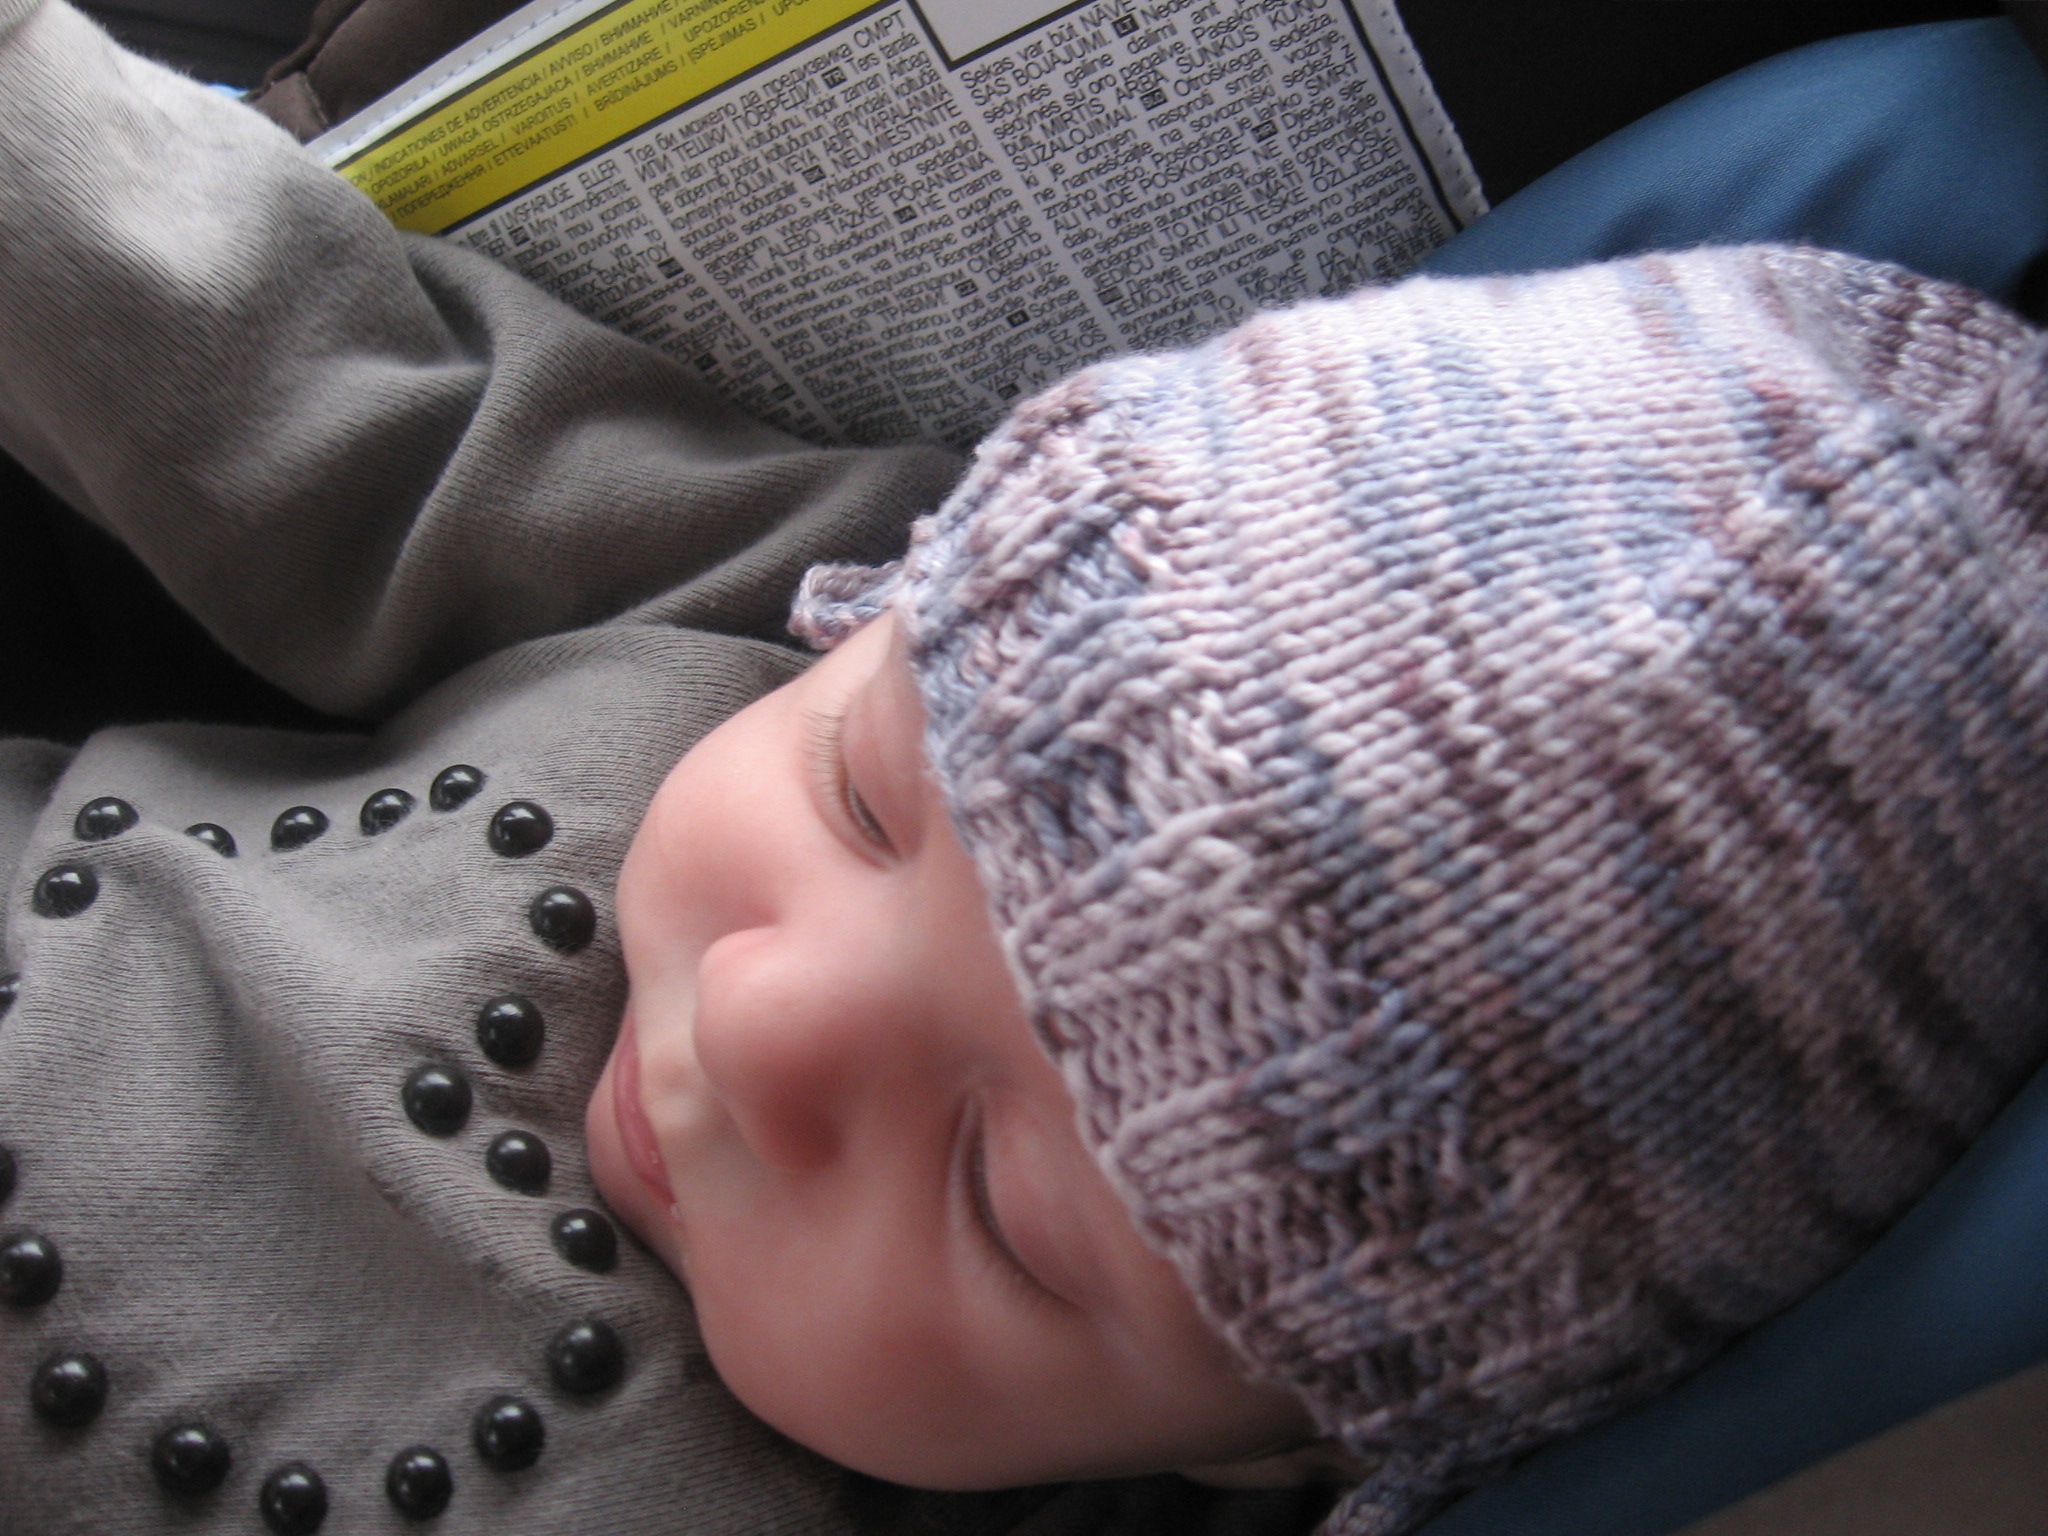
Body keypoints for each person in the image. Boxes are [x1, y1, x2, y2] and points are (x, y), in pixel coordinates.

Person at [2, 5, 2046, 1536]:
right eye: (865, 799)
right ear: (885, 612)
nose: (770, 1020)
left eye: (1001, 1206)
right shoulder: (753, 610)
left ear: (1273, 1448)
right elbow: (345, 412)